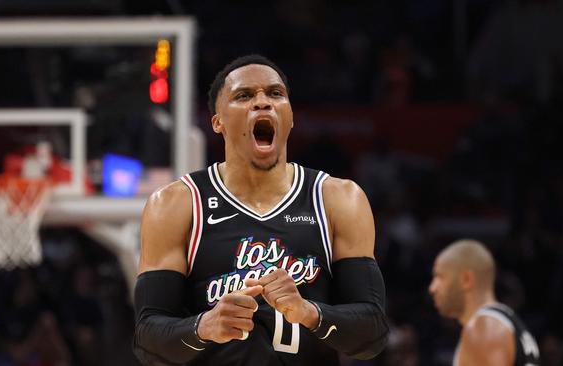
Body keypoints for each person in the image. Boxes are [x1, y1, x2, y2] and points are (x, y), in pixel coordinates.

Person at [132, 54, 389, 365]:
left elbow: (372, 334)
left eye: (275, 93)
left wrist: (310, 312)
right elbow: (148, 339)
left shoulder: (338, 199)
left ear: (290, 116)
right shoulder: (177, 204)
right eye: (244, 96)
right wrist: (203, 327)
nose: (262, 102)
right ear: (218, 122)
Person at [428, 239, 540, 366]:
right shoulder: (506, 321)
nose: (432, 288)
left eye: (440, 277)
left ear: (466, 279)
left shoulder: (484, 328)